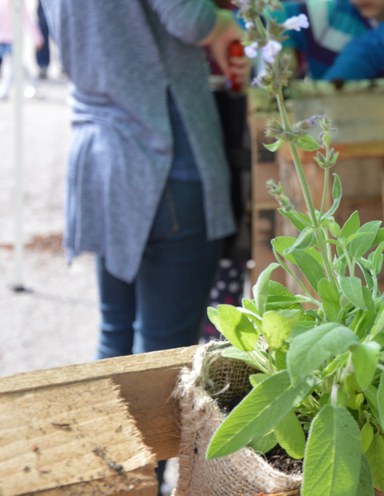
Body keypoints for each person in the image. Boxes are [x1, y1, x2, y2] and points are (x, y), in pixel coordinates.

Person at [40, 0, 249, 358]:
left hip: (102, 153)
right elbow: (189, 19)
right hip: (164, 158)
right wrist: (226, 25)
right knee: (163, 359)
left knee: (116, 339)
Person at [0, 0, 42, 99]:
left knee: (12, 66)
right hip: (1, 40)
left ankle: (5, 90)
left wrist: (37, 39)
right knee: (12, 65)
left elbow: (29, 21)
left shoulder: (19, 5)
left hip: (14, 41)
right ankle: (33, 81)